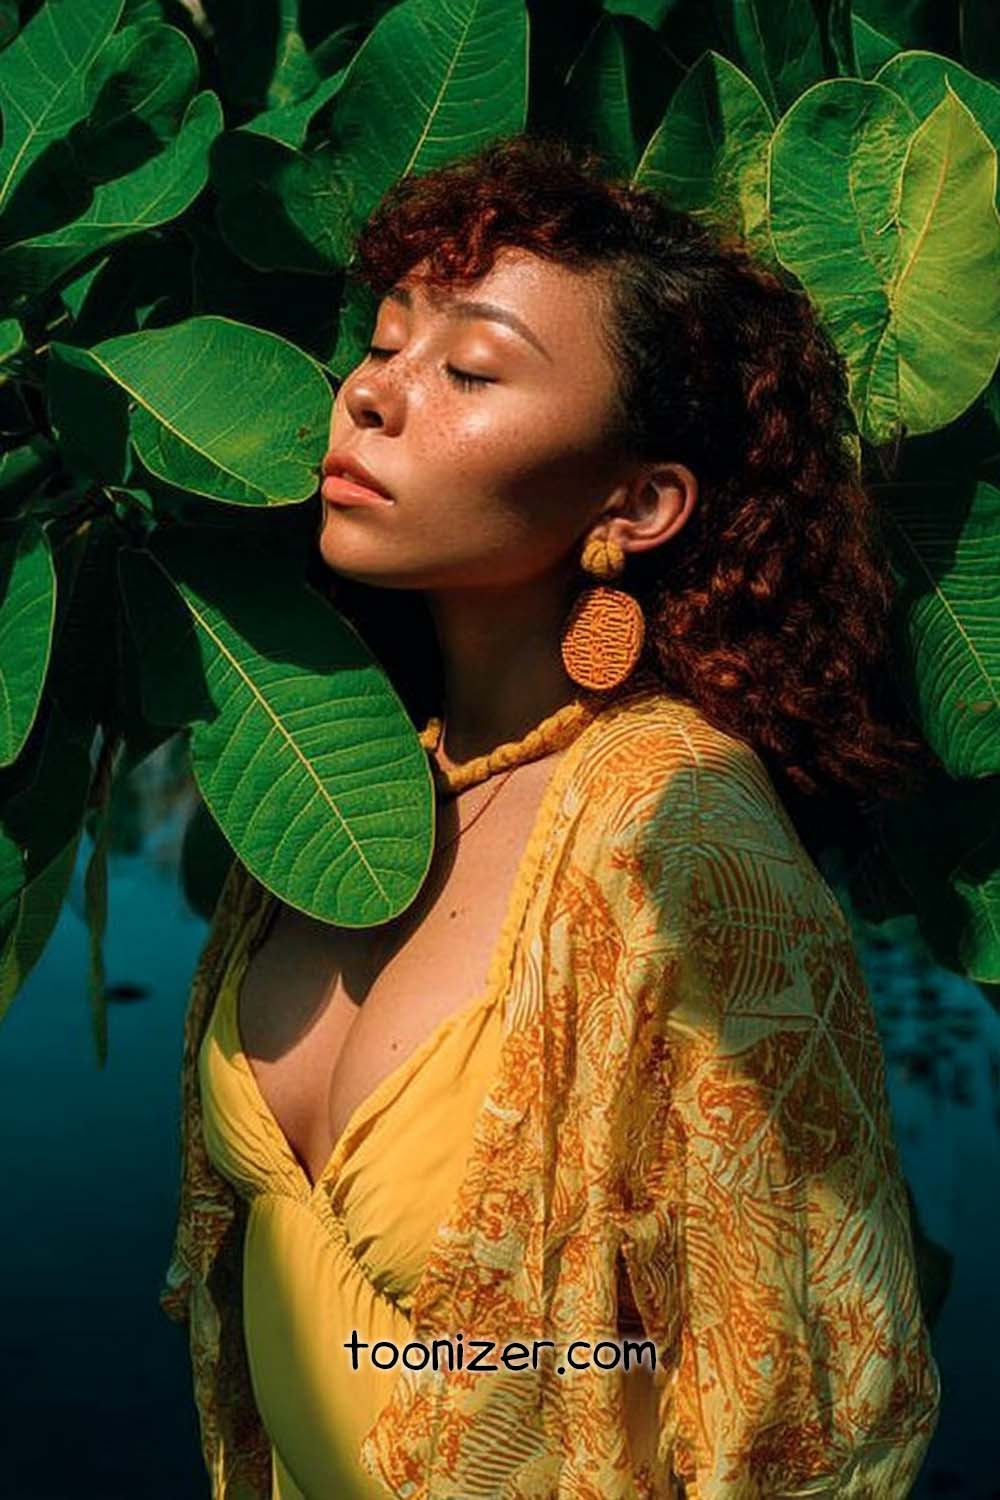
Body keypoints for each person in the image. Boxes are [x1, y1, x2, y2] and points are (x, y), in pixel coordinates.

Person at [161, 132, 943, 1499]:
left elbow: (814, 1411)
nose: (373, 396)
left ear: (634, 503)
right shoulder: (351, 792)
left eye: (469, 370)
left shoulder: (681, 828)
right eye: (386, 343)